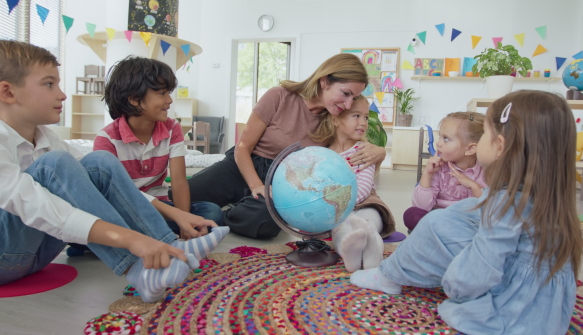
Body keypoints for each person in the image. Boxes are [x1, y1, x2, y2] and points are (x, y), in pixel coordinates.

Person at [0, 40, 229, 303]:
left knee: (99, 162)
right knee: (58, 163)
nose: (62, 94)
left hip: (36, 254)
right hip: (5, 256)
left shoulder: (47, 138)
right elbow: (36, 207)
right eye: (49, 84)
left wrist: (178, 215)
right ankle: (138, 268)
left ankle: (170, 246)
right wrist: (132, 240)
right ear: (8, 92)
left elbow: (106, 183)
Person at [350, 90, 583, 334]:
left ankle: (389, 276)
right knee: (453, 214)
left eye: (485, 133)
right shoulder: (545, 196)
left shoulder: (505, 203)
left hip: (514, 313)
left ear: (500, 146)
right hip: (547, 306)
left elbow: (481, 267)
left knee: (434, 223)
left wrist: (454, 286)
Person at [182, 53, 386, 239]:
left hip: (281, 182)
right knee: (181, 197)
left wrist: (380, 152)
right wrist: (255, 185)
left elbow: (349, 151)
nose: (348, 104)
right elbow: (243, 147)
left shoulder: (333, 119)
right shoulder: (279, 96)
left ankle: (224, 214)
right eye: (346, 93)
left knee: (265, 225)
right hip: (243, 166)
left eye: (353, 98)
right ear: (325, 81)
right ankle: (239, 204)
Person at [93, 56, 224, 240]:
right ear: (134, 99)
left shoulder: (172, 128)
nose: (170, 100)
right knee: (97, 223)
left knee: (212, 212)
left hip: (161, 210)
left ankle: (145, 235)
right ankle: (148, 235)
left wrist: (183, 220)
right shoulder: (107, 139)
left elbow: (178, 182)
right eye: (162, 93)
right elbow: (119, 194)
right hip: (124, 210)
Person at [310, 96, 396, 272]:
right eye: (356, 116)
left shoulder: (365, 151)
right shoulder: (324, 155)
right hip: (339, 210)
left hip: (366, 202)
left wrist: (344, 198)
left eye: (365, 117)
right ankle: (349, 251)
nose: (363, 122)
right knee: (341, 232)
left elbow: (363, 188)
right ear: (335, 120)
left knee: (370, 222)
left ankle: (374, 252)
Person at [404, 111, 486, 233]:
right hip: (439, 217)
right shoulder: (440, 168)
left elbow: (490, 208)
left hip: (469, 221)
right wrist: (427, 174)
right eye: (440, 137)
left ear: (470, 149)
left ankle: (441, 235)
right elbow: (421, 206)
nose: (438, 143)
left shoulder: (486, 170)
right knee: (412, 215)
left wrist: (473, 186)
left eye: (446, 139)